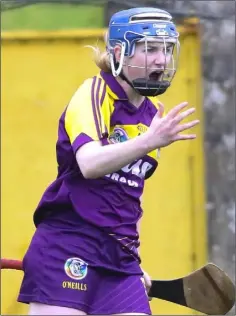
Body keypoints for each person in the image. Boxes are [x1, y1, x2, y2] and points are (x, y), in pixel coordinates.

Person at [18, 7, 199, 316]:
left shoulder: (154, 115)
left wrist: (134, 257)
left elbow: (129, 193)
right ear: (120, 52)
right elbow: (89, 164)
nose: (162, 59)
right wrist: (150, 141)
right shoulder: (94, 92)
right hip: (68, 244)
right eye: (150, 48)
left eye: (167, 49)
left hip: (119, 257)